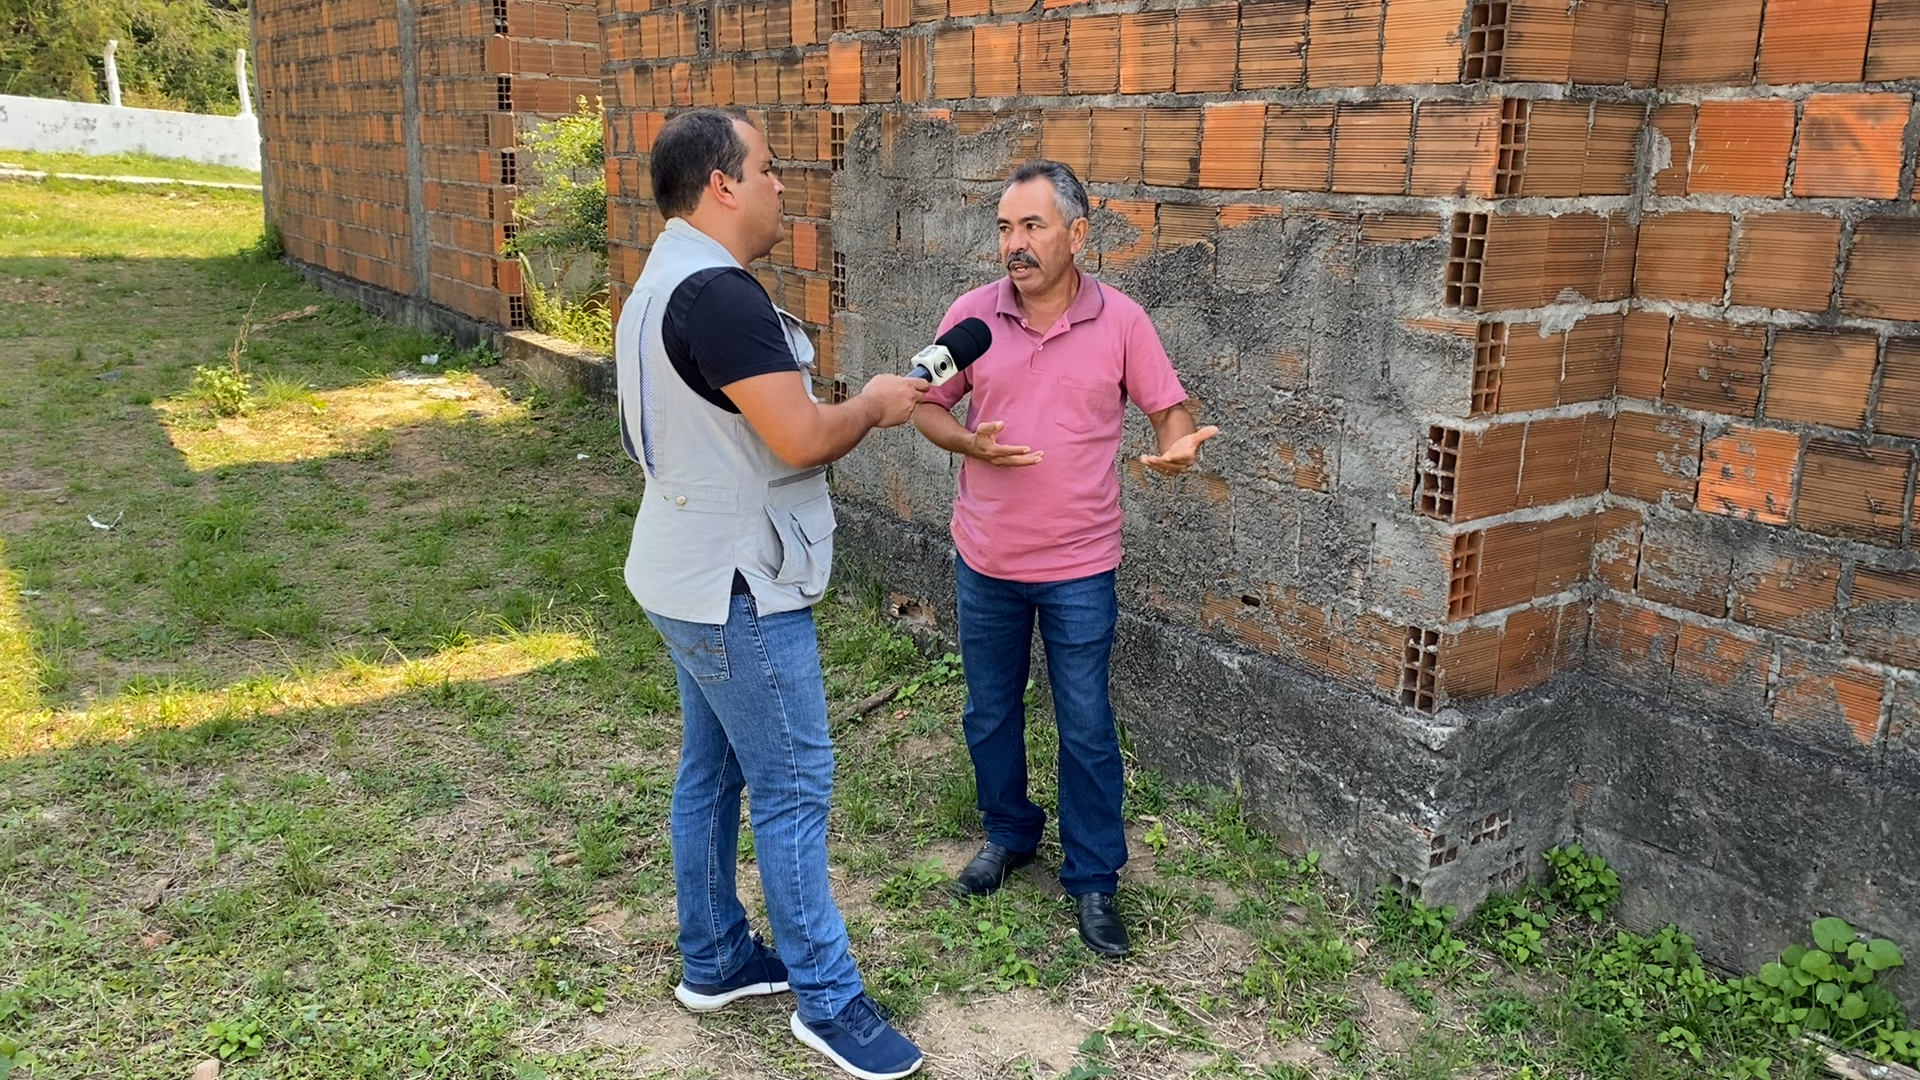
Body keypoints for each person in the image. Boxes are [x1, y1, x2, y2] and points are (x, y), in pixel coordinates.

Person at [613, 107, 927, 1080]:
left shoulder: (658, 281)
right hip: (735, 588)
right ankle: (828, 1003)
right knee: (793, 785)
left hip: (680, 572)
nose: (784, 185)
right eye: (770, 169)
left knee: (711, 773)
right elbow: (800, 438)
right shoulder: (718, 295)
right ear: (722, 183)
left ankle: (714, 959)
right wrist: (875, 404)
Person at [911, 160, 1219, 960]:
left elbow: (1167, 410)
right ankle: (1010, 834)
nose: (1015, 244)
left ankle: (1092, 877)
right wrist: (965, 437)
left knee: (1084, 726)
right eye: (1006, 228)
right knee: (989, 711)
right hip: (985, 559)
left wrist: (1175, 449)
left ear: (1078, 234)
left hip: (1081, 565)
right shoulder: (971, 317)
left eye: (1033, 226)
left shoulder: (1123, 322)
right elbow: (925, 405)